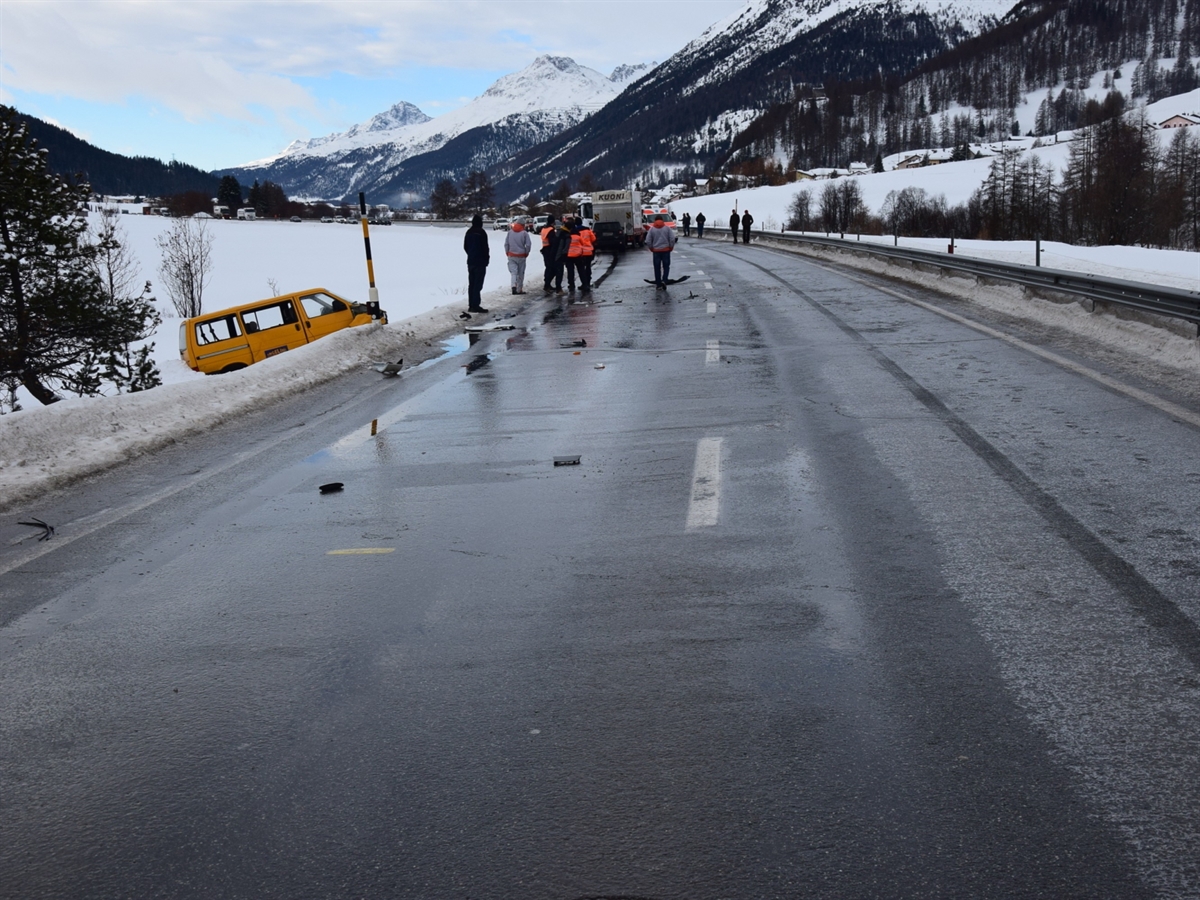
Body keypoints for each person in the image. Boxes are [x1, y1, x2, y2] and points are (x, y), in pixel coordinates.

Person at [463, 213, 489, 313]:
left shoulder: (468, 232)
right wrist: (486, 259)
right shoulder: (482, 233)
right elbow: (485, 248)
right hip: (480, 262)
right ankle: (475, 305)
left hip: (471, 261)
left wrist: (470, 254)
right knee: (478, 284)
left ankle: (471, 304)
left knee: (472, 283)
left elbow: (465, 246)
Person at [646, 213, 678, 288]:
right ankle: (664, 280)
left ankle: (658, 284)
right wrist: (671, 247)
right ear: (662, 220)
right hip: (666, 250)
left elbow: (648, 240)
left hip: (656, 251)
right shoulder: (667, 228)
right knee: (666, 266)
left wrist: (651, 248)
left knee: (657, 268)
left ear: (655, 220)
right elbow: (672, 238)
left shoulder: (652, 229)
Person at [504, 217, 531, 294]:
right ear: (523, 225)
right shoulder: (524, 233)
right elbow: (528, 245)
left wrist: (507, 252)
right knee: (521, 273)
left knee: (513, 272)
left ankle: (513, 286)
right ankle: (519, 289)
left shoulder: (510, 232)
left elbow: (506, 243)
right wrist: (526, 252)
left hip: (511, 255)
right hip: (521, 255)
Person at [541, 214, 559, 291]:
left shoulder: (544, 229)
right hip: (550, 251)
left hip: (545, 250)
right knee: (553, 269)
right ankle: (547, 284)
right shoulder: (551, 230)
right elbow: (553, 242)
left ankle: (547, 284)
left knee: (548, 268)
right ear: (553, 221)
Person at [578, 221, 595, 291]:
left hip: (581, 252)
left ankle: (584, 283)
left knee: (582, 269)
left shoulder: (576, 231)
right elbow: (593, 239)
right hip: (589, 251)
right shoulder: (588, 230)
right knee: (588, 267)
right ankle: (588, 281)